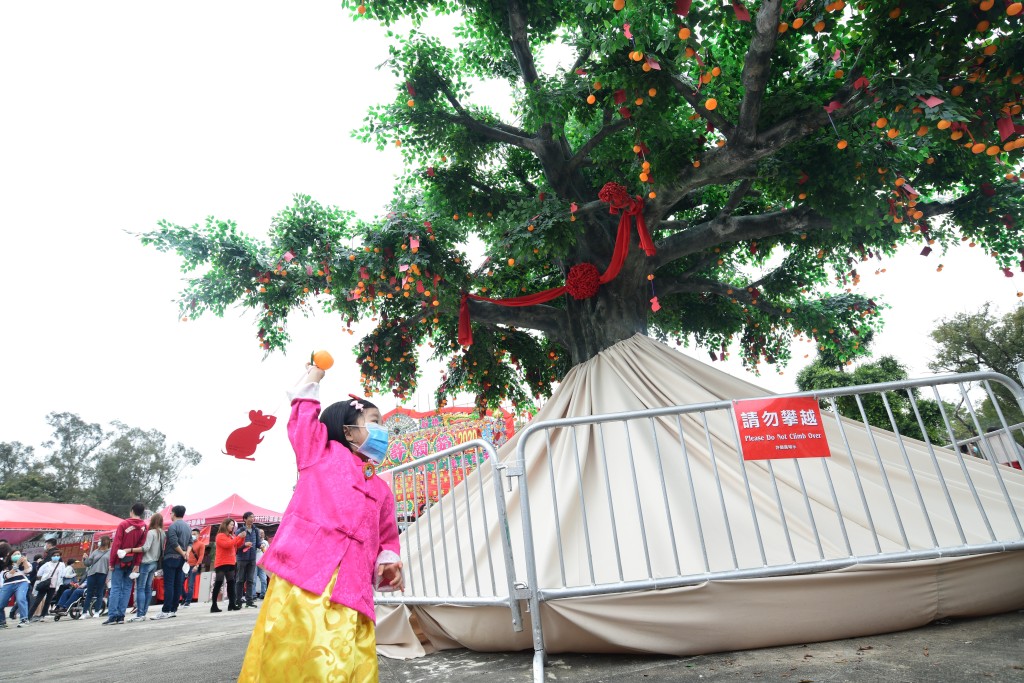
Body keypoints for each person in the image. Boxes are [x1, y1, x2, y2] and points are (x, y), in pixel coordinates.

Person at [238, 364, 403, 681]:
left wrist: (389, 561)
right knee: (295, 654)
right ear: (348, 431)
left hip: (353, 587)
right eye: (373, 423)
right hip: (306, 578)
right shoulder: (320, 453)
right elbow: (302, 421)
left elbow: (387, 538)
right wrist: (314, 377)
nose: (382, 430)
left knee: (347, 658)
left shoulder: (381, 488)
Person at [103, 502, 148, 626]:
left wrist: (111, 562)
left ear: (132, 511)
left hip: (119, 559)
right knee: (127, 588)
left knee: (116, 588)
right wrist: (137, 563)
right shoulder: (144, 526)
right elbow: (141, 547)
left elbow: (116, 544)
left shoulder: (124, 524)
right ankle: (121, 616)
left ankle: (112, 616)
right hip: (133, 561)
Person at [153, 505, 190, 620]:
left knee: (169, 584)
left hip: (171, 558)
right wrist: (186, 553)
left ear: (173, 513)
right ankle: (173, 609)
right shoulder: (188, 527)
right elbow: (190, 542)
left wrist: (182, 552)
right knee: (177, 584)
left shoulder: (173, 526)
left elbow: (173, 542)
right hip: (181, 559)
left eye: (171, 513)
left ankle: (166, 610)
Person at [132, 513, 165, 622]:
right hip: (154, 563)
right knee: (147, 588)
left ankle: (140, 613)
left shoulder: (151, 532)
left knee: (140, 587)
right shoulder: (162, 533)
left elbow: (145, 548)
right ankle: (143, 612)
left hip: (145, 562)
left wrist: (131, 549)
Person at [210, 518, 247, 613]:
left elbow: (236, 545)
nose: (232, 526)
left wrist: (242, 538)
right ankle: (214, 605)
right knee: (218, 583)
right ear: (225, 525)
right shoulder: (220, 536)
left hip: (230, 562)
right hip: (221, 563)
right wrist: (238, 537)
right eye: (231, 524)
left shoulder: (232, 536)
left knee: (231, 583)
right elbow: (227, 545)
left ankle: (232, 604)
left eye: (232, 525)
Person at [0, 547, 32, 628]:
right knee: (1, 603)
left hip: (22, 583)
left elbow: (28, 571)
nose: (17, 555)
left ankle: (24, 619)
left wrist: (24, 561)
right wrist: (16, 565)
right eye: (15, 554)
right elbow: (7, 576)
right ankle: (2, 621)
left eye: (19, 554)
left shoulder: (25, 563)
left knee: (21, 599)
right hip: (8, 584)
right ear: (10, 556)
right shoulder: (6, 566)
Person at [28, 550, 64, 620]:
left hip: (53, 586)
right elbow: (39, 573)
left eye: (58, 555)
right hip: (45, 585)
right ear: (51, 556)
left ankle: (43, 616)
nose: (56, 557)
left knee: (48, 601)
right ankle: (29, 616)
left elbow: (62, 575)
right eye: (54, 556)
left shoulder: (61, 565)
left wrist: (58, 586)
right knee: (37, 601)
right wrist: (45, 578)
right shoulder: (47, 564)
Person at [234, 511, 260, 609]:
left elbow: (258, 543)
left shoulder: (256, 530)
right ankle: (238, 600)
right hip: (241, 558)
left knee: (250, 580)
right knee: (240, 580)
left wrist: (261, 545)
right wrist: (244, 545)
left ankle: (249, 601)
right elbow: (235, 545)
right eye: (250, 517)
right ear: (245, 519)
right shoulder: (240, 531)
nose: (252, 519)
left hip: (252, 558)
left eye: (253, 517)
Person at [82, 537, 110, 618]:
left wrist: (108, 576)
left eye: (102, 541)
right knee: (89, 593)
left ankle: (97, 611)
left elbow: (111, 565)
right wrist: (85, 558)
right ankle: (84, 612)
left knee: (99, 593)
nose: (100, 542)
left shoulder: (110, 552)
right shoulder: (95, 551)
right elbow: (88, 563)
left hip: (103, 573)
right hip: (92, 573)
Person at [182, 527, 205, 607]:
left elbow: (201, 556)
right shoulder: (188, 543)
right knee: (179, 583)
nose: (193, 536)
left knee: (190, 584)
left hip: (193, 566)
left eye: (194, 534)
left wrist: (197, 565)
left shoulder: (201, 544)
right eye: (191, 534)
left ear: (199, 535)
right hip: (186, 565)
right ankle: (185, 597)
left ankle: (188, 601)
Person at [253, 529, 269, 599]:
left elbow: (268, 552)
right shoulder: (255, 542)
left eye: (263, 533)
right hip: (255, 563)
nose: (262, 534)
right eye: (260, 533)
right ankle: (253, 595)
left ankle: (263, 594)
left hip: (262, 564)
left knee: (264, 579)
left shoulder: (266, 542)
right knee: (253, 580)